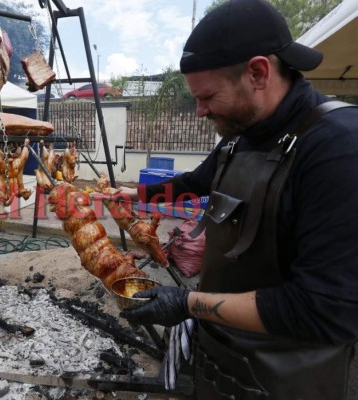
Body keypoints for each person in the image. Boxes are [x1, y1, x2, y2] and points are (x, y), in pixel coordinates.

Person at [118, 0, 358, 399]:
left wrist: (190, 303)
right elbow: (194, 181)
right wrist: (135, 194)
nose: (199, 112)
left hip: (287, 377)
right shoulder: (243, 135)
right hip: (221, 357)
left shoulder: (337, 148)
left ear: (258, 72)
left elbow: (325, 309)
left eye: (208, 97)